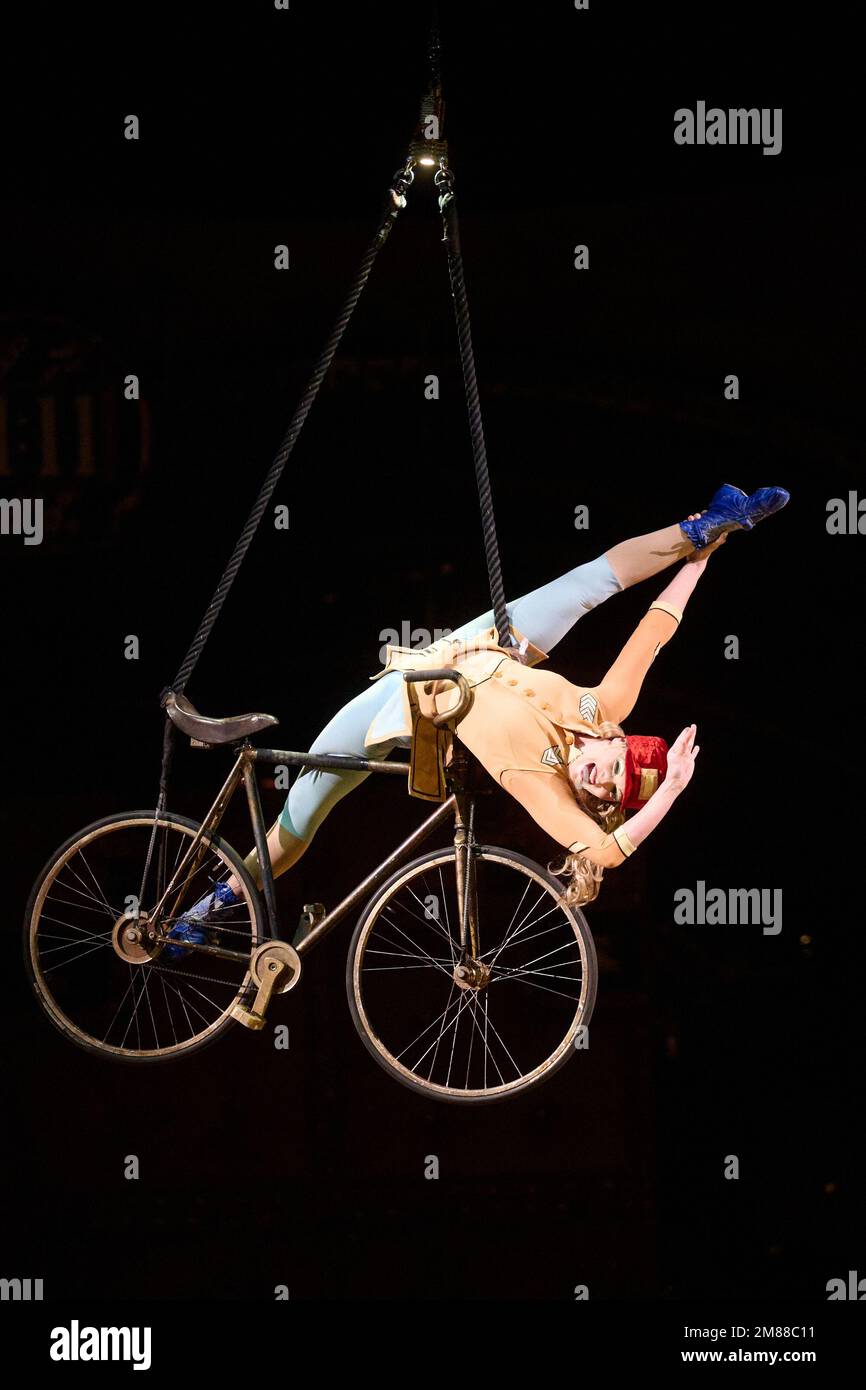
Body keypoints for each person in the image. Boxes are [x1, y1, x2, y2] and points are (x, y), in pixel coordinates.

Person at [164, 482, 788, 955]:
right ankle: (701, 524)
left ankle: (207, 906)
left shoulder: (544, 788)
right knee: (585, 584)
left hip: (408, 701)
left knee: (295, 827)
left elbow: (607, 852)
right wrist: (705, 553)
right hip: (484, 647)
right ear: (612, 741)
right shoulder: (601, 710)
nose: (596, 780)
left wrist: (672, 788)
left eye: (603, 791)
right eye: (612, 768)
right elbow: (654, 632)